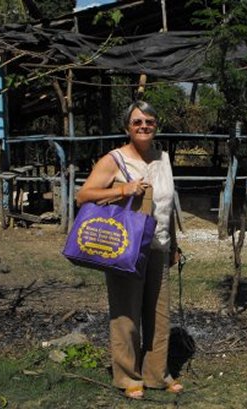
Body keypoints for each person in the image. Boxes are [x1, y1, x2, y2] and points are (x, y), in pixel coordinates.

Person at [76, 100, 183, 399]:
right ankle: (127, 377)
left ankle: (157, 375)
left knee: (160, 316)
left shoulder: (163, 157)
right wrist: (122, 189)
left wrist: (173, 243)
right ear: (127, 127)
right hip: (125, 248)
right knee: (126, 316)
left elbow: (167, 206)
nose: (144, 126)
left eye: (149, 121)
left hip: (158, 246)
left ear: (156, 125)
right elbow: (83, 196)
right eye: (137, 122)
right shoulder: (114, 159)